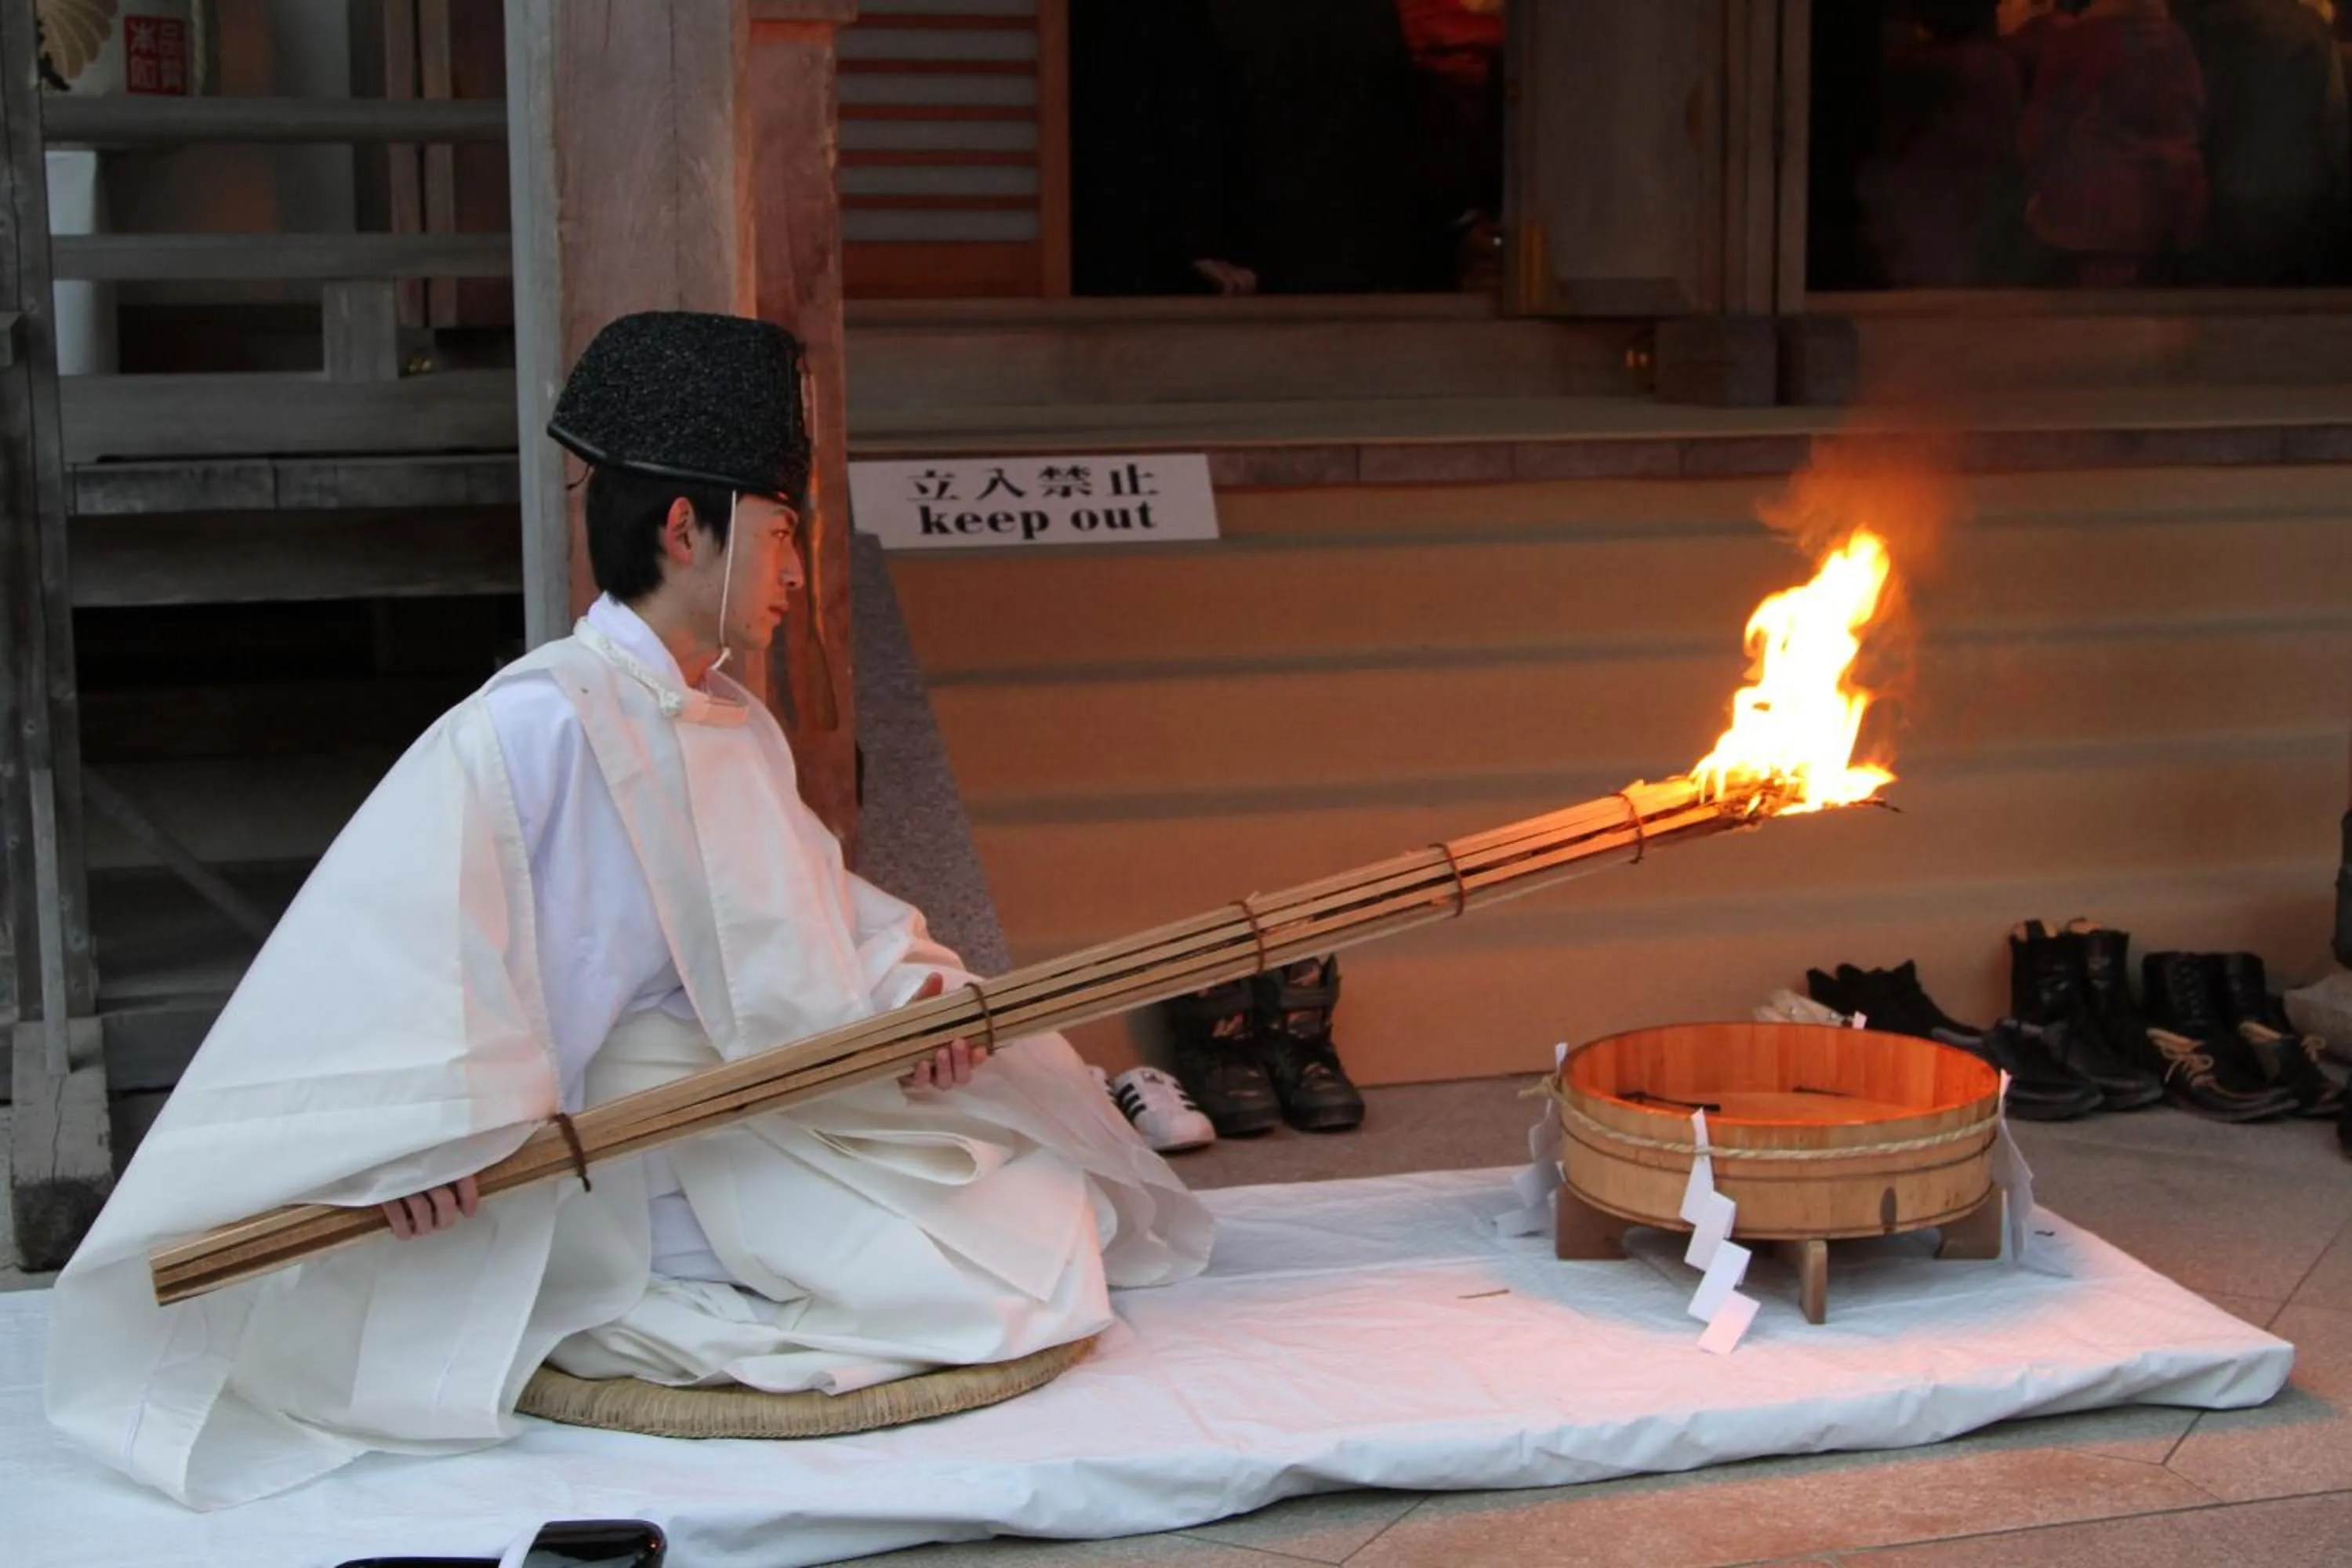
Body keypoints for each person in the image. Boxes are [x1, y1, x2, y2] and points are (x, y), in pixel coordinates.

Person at [45, 311, 1214, 1509]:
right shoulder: (535, 722)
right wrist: (428, 1139)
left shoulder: (732, 723)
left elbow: (818, 912)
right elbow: (407, 953)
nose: (796, 574)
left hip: (759, 1099)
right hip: (620, 1141)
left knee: (1039, 1203)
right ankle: (643, 1289)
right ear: (685, 528)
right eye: (780, 537)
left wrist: (909, 998)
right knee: (978, 1283)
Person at [2018, 0, 2209, 285]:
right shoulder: (2176, 41)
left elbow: (2037, 133)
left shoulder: (2079, 41)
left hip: (2089, 211)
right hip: (2168, 210)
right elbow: (2193, 117)